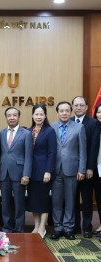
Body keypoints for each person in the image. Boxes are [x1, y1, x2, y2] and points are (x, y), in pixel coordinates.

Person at [50, 101, 86, 240]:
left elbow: (83, 151)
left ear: (70, 112)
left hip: (72, 169)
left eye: (67, 111)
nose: (64, 113)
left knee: (70, 201)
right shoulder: (51, 127)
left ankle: (69, 228)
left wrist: (82, 170)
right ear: (57, 112)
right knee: (56, 201)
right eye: (61, 111)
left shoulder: (79, 127)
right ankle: (58, 228)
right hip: (55, 169)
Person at [0, 106, 33, 233]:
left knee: (19, 203)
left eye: (14, 115)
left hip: (19, 174)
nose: (12, 117)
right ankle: (7, 227)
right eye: (9, 115)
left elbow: (29, 156)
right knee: (5, 203)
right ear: (6, 117)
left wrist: (26, 174)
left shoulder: (26, 134)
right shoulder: (1, 133)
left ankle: (19, 228)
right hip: (4, 173)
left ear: (18, 117)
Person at [27, 104, 57, 238]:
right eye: (36, 114)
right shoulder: (29, 131)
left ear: (45, 116)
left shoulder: (49, 131)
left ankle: (42, 227)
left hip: (44, 171)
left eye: (41, 114)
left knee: (43, 200)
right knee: (34, 200)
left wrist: (48, 171)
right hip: (31, 172)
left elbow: (52, 153)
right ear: (32, 115)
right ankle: (36, 226)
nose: (38, 116)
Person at [71, 96, 99, 238]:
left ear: (87, 107)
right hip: (70, 169)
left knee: (86, 200)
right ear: (72, 107)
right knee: (72, 200)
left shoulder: (93, 123)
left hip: (87, 169)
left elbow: (94, 147)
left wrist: (89, 168)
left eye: (81, 105)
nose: (79, 107)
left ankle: (87, 227)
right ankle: (74, 226)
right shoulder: (68, 122)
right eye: (76, 105)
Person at [93, 103, 101, 236]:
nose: (100, 115)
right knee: (100, 198)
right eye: (99, 112)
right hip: (98, 168)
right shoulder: (95, 127)